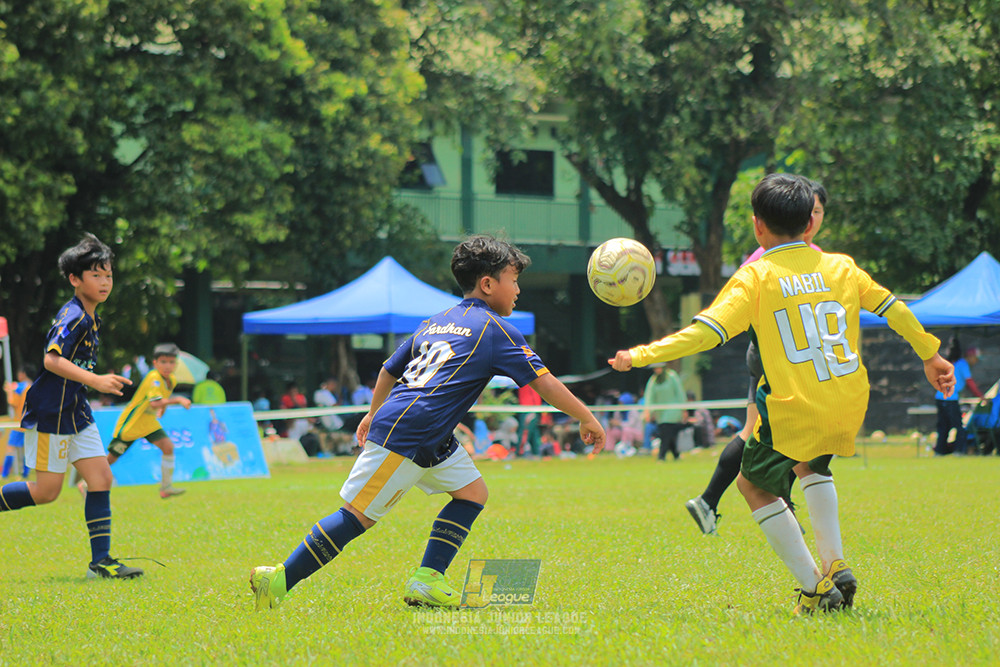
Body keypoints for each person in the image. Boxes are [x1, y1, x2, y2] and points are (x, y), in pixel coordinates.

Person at [610, 173, 954, 614]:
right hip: (847, 400)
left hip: (794, 406)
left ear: (757, 226)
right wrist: (931, 355)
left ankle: (816, 589)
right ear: (810, 224)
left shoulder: (756, 276)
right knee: (811, 466)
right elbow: (895, 309)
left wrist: (638, 355)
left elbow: (703, 335)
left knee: (752, 486)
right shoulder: (842, 267)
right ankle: (836, 564)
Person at [249, 234, 606, 610]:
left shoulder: (436, 322)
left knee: (472, 493)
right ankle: (278, 580)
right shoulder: (495, 330)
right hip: (413, 429)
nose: (517, 290)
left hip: (428, 431)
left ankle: (428, 579)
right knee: (357, 518)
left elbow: (389, 369)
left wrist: (373, 412)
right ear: (488, 284)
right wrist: (587, 417)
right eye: (513, 280)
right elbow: (544, 382)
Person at [686, 179, 828, 536]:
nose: (811, 217)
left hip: (792, 361)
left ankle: (709, 501)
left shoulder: (816, 258)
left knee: (760, 436)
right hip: (773, 362)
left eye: (816, 211)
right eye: (808, 210)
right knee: (788, 442)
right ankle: (775, 507)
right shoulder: (767, 257)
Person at [0, 233, 141, 579]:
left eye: (108, 275)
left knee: (100, 478)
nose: (105, 282)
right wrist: (96, 381)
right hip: (51, 413)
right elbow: (51, 360)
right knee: (47, 492)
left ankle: (102, 562)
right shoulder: (74, 316)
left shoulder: (91, 316)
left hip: (76, 411)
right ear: (75, 280)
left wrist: (91, 383)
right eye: (96, 275)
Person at [94, 343, 192, 499]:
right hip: (132, 423)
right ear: (155, 363)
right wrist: (179, 399)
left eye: (171, 362)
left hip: (148, 423)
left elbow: (162, 399)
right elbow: (154, 402)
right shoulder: (154, 378)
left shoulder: (171, 380)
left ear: (176, 364)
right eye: (163, 362)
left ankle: (166, 487)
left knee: (168, 447)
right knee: (111, 458)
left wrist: (163, 409)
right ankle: (86, 484)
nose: (167, 366)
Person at [934, 339, 983, 455]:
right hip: (950, 398)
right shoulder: (963, 364)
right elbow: (969, 382)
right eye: (975, 359)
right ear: (970, 356)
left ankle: (939, 451)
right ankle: (959, 451)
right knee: (958, 426)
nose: (975, 362)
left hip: (940, 397)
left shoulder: (953, 362)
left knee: (943, 426)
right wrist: (981, 396)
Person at [643, 362, 687, 461]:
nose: (657, 370)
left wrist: (684, 408)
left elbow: (679, 392)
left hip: (672, 410)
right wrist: (648, 411)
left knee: (665, 432)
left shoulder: (672, 376)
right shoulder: (653, 380)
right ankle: (676, 455)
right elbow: (650, 396)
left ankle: (661, 456)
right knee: (667, 434)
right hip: (660, 412)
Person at [3, 364, 36, 481]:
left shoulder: (19, 387)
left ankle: (4, 474)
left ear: (23, 374)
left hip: (19, 424)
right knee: (27, 450)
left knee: (10, 448)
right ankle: (25, 474)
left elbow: (12, 403)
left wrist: (8, 392)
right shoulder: (34, 386)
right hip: (30, 423)